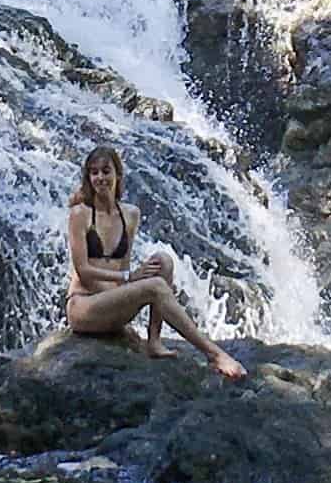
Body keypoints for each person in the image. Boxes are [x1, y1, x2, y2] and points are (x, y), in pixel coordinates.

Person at [50, 145, 247, 381]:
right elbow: (83, 272)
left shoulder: (130, 214)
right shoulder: (79, 214)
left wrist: (128, 283)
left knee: (164, 261)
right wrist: (129, 280)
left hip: (113, 304)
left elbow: (123, 265)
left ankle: (154, 341)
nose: (100, 177)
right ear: (88, 177)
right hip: (84, 308)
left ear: (118, 174)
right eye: (94, 172)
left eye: (105, 171)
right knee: (154, 287)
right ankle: (214, 354)